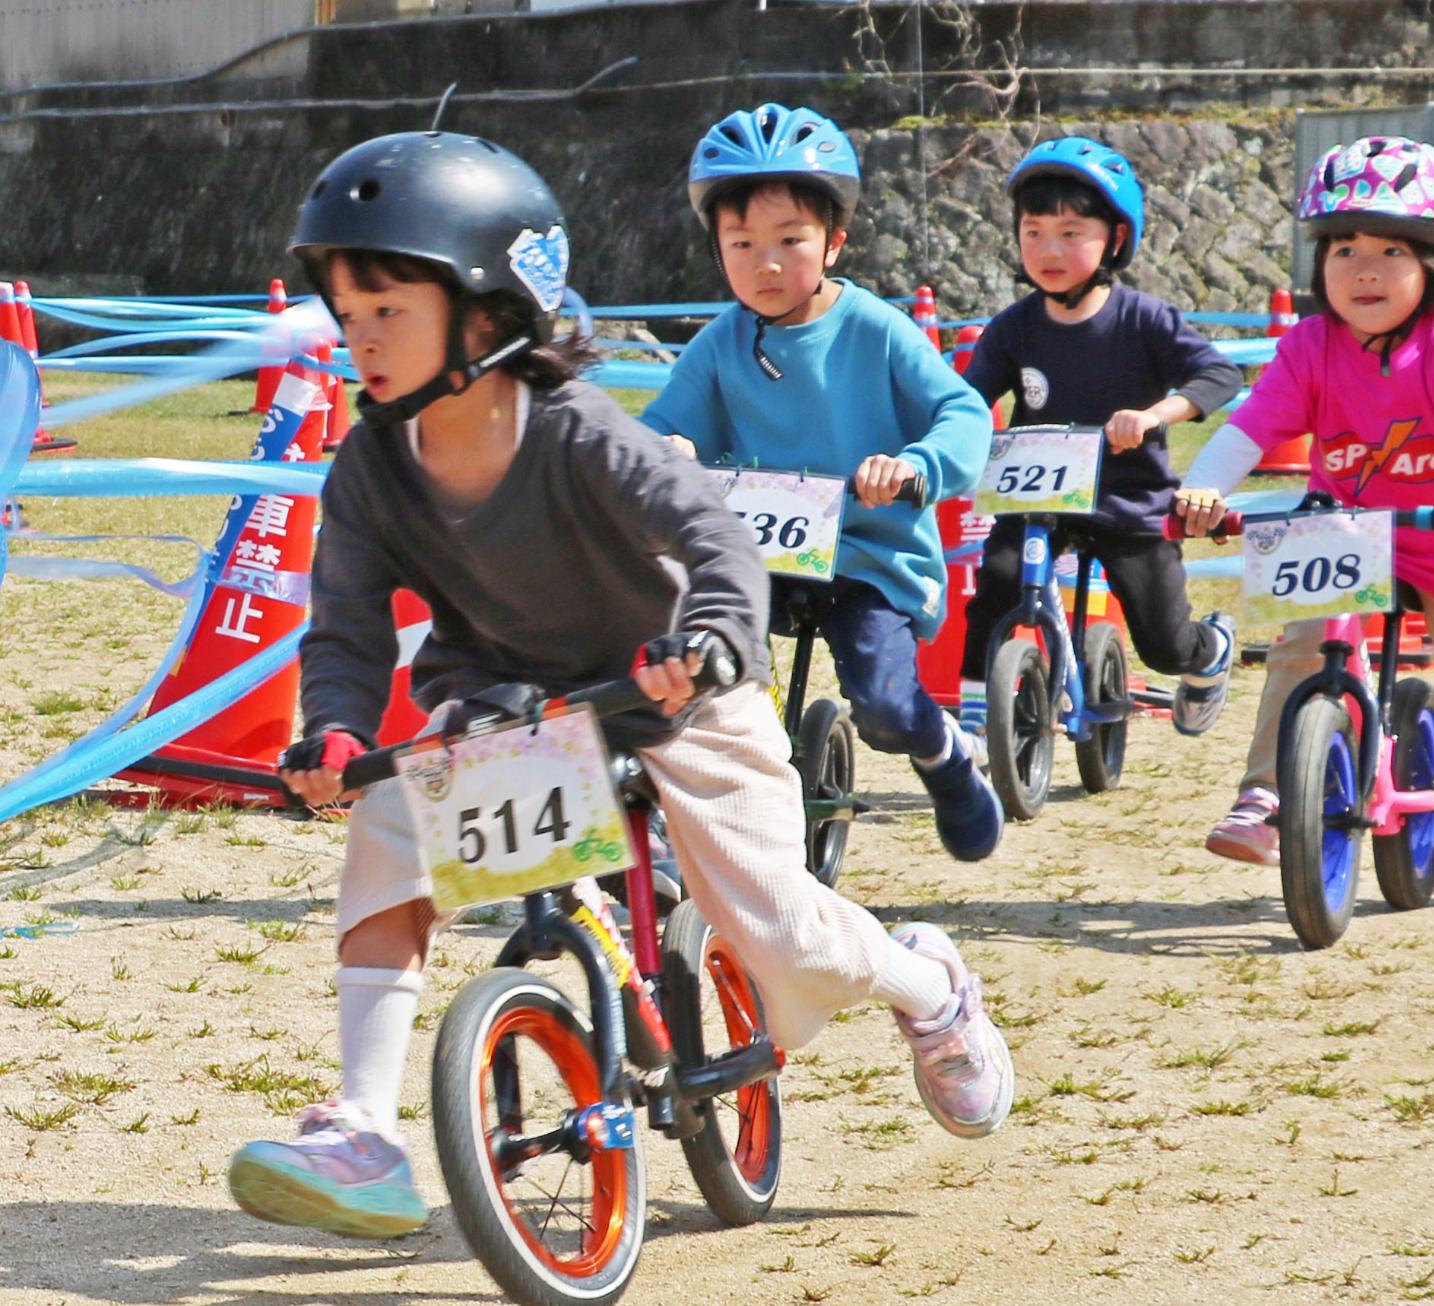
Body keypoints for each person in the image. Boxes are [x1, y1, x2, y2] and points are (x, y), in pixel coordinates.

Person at [228, 131, 1013, 1242]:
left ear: (489, 312)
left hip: (678, 688)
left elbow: (710, 533)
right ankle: (362, 1127)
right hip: (515, 706)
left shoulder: (572, 428)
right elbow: (346, 624)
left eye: (389, 309)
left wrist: (712, 633)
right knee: (391, 828)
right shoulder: (369, 467)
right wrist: (337, 731)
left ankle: (926, 985)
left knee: (783, 933)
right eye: (346, 313)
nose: (361, 338)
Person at [1175, 136, 1434, 871]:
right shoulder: (1309, 346)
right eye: (1344, 250)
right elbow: (1248, 429)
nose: (1364, 270)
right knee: (1300, 649)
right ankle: (1265, 795)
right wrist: (1201, 489)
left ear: (1433, 265)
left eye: (1391, 251)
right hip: (1347, 534)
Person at [638, 103, 1002, 861]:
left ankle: (945, 755)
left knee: (885, 708)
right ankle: (678, 810)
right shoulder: (720, 344)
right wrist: (665, 447)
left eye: (790, 240)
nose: (765, 264)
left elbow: (962, 412)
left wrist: (915, 466)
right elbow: (658, 426)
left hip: (865, 555)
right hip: (752, 556)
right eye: (742, 244)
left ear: (835, 241)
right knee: (686, 660)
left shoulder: (876, 328)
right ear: (717, 249)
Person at [955, 136, 1245, 738]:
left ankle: (1210, 648)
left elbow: (1219, 375)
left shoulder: (1144, 318)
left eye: (1070, 233)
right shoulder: (1013, 328)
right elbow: (965, 399)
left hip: (1127, 500)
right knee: (998, 583)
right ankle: (976, 719)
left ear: (1113, 239)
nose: (1048, 249)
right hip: (1037, 498)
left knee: (1163, 644)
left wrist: (1154, 415)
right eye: (1033, 232)